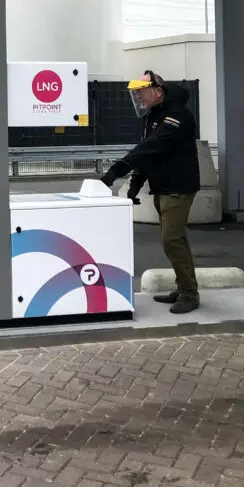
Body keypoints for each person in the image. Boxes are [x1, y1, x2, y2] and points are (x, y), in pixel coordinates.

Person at [99, 71, 202, 314]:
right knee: (176, 240)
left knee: (171, 240)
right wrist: (135, 184)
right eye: (135, 93)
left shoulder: (177, 115)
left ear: (157, 90)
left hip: (178, 188)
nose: (138, 97)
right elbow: (150, 155)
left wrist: (116, 171)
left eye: (141, 92)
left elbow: (151, 146)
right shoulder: (154, 115)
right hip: (163, 187)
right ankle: (184, 287)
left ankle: (189, 294)